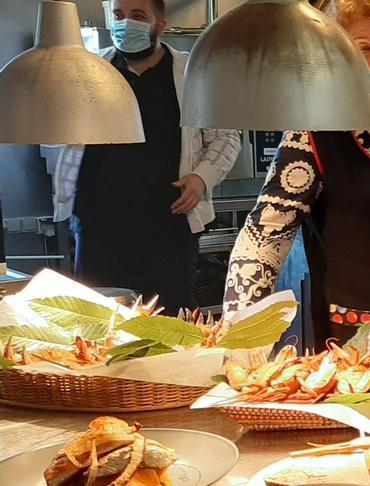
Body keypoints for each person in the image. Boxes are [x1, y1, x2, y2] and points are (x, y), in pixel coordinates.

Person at [223, 0, 370, 419]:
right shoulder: (315, 135)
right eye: (362, 48)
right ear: (341, 58)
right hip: (362, 349)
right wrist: (242, 342)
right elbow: (262, 239)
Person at [53, 0, 242, 310]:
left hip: (168, 222)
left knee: (171, 320)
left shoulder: (192, 72)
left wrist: (201, 178)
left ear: (160, 24)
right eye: (118, 15)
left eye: (138, 16)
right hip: (98, 223)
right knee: (97, 319)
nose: (125, 24)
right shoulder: (91, 72)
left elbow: (226, 137)